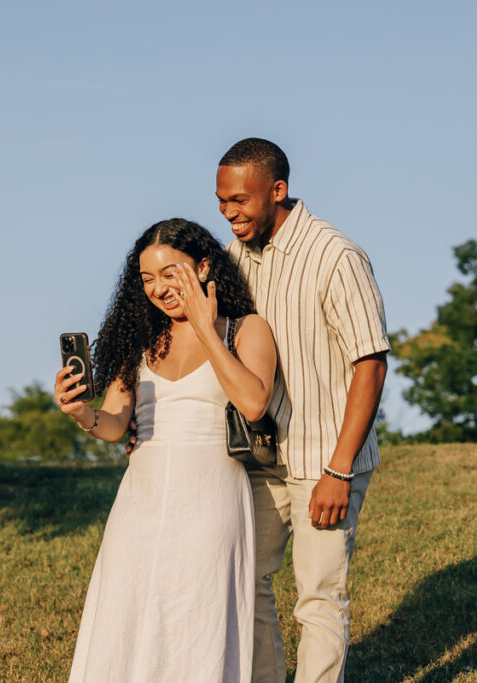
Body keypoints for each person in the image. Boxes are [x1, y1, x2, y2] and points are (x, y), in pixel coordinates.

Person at [56, 218, 277, 683]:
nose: (158, 288)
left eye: (169, 273)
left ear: (202, 267)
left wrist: (206, 329)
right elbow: (116, 423)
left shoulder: (246, 329)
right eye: (147, 279)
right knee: (129, 612)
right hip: (141, 499)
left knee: (197, 616)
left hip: (211, 498)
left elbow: (254, 402)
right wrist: (81, 412)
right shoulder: (142, 338)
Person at [216, 138, 389, 683]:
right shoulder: (233, 256)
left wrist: (339, 470)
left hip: (324, 458)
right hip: (262, 454)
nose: (229, 213)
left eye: (239, 201)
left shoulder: (337, 256)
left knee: (319, 596)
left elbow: (372, 362)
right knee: (245, 578)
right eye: (222, 201)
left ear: (278, 190)